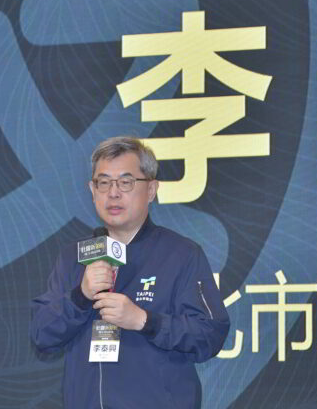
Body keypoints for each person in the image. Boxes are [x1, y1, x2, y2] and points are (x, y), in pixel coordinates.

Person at [31, 136, 229, 408]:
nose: (113, 193)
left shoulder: (181, 254)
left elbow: (210, 334)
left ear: (151, 189)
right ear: (92, 190)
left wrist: (144, 321)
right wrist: (80, 296)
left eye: (126, 182)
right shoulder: (73, 258)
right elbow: (42, 335)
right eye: (103, 182)